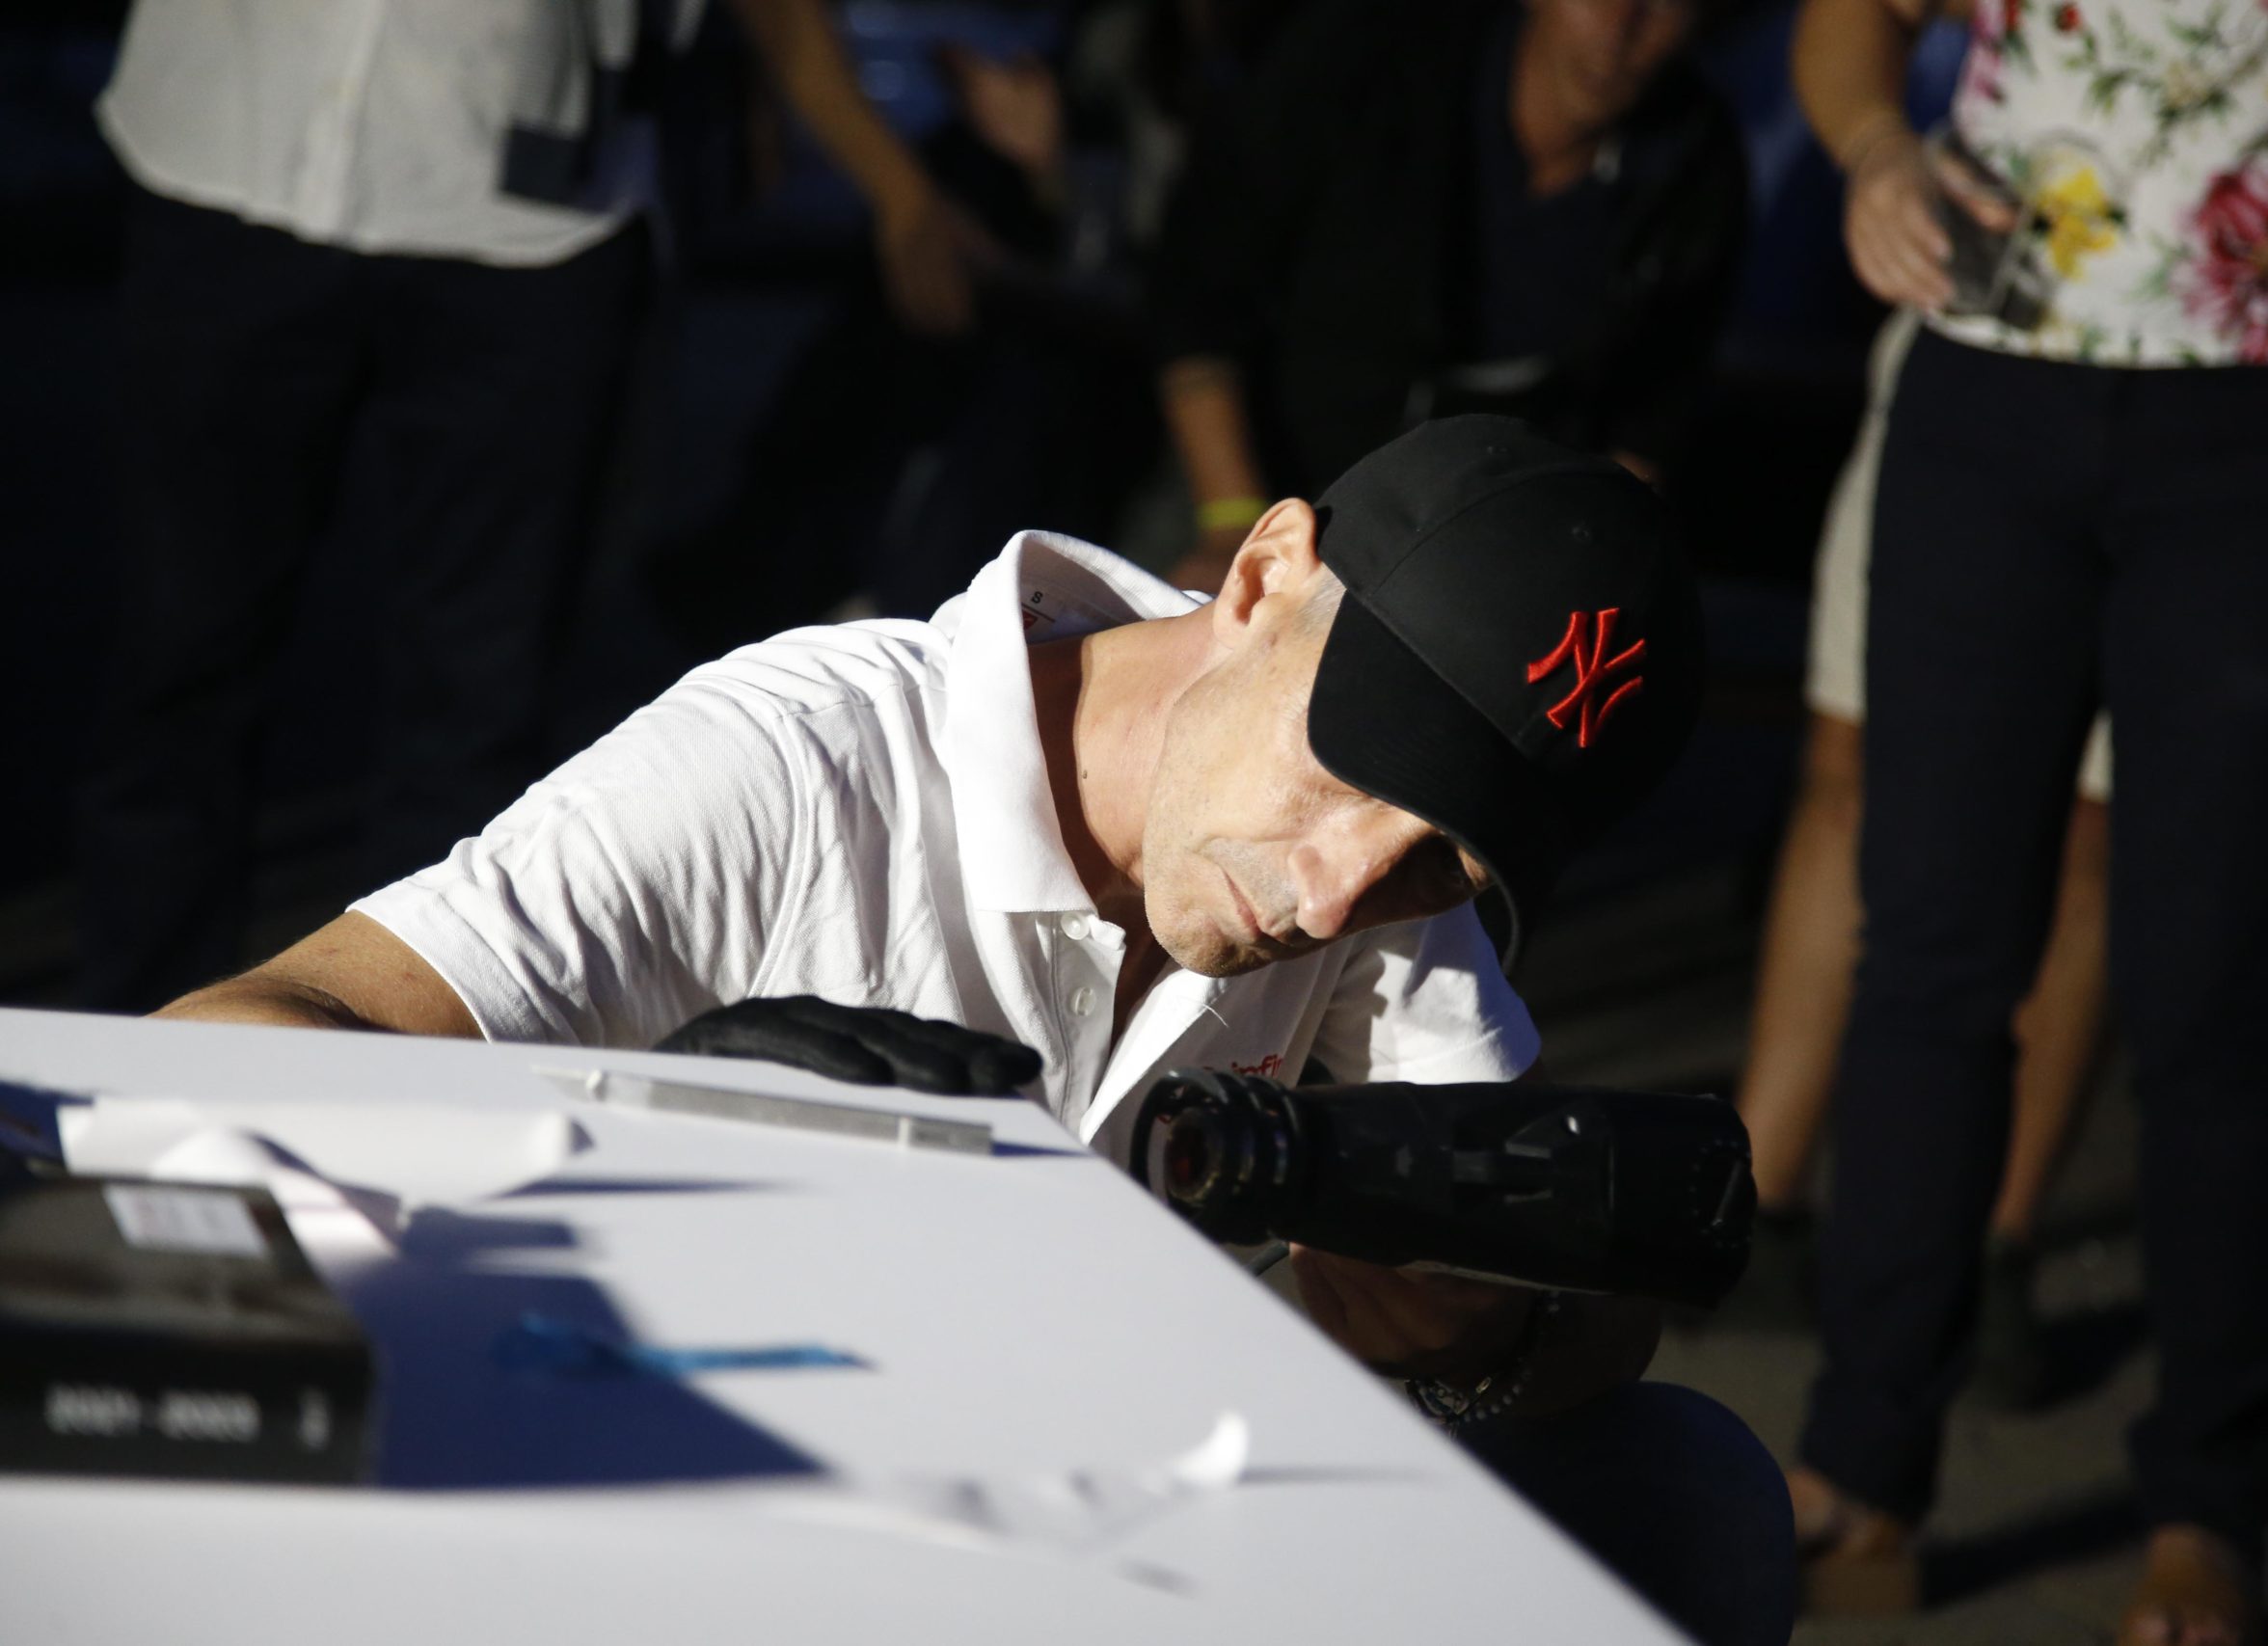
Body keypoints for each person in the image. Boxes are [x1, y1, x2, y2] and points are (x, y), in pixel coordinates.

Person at [156, 417, 1796, 1646]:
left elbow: (1588, 1323)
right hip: (688, 1497)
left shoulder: (1390, 898)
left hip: (1050, 1526)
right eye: (1351, 764)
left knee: (1683, 1497)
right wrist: (634, 1137)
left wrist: (1479, 1330)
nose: (1332, 890)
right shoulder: (806, 765)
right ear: (1262, 574)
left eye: (1445, 855)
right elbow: (211, 1047)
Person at [1787, 0, 2268, 1639]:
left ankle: (2209, 1512)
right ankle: (1864, 1463)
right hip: (1991, 374)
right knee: (1928, 951)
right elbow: (1855, 21)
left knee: (2214, 989)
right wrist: (1875, 152)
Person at [77, 0, 992, 1014]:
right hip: (220, 162)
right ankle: (130, 1059)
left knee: (474, 706)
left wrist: (895, 185)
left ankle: (404, 1057)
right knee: (178, 663)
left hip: (535, 227)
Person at [1735, 306, 2113, 1408]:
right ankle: (1748, 1206)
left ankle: (1992, 1250)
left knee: (2090, 822)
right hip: (1982, 337)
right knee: (1854, 773)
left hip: (2211, 380)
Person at [1150, 0, 1746, 589]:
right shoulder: (1366, 58)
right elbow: (1200, 290)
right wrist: (1234, 524)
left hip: (1485, 547)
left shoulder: (1696, 164)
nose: (1621, 27)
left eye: (1667, 3)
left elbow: (1646, 426)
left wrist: (1581, 576)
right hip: (1252, 483)